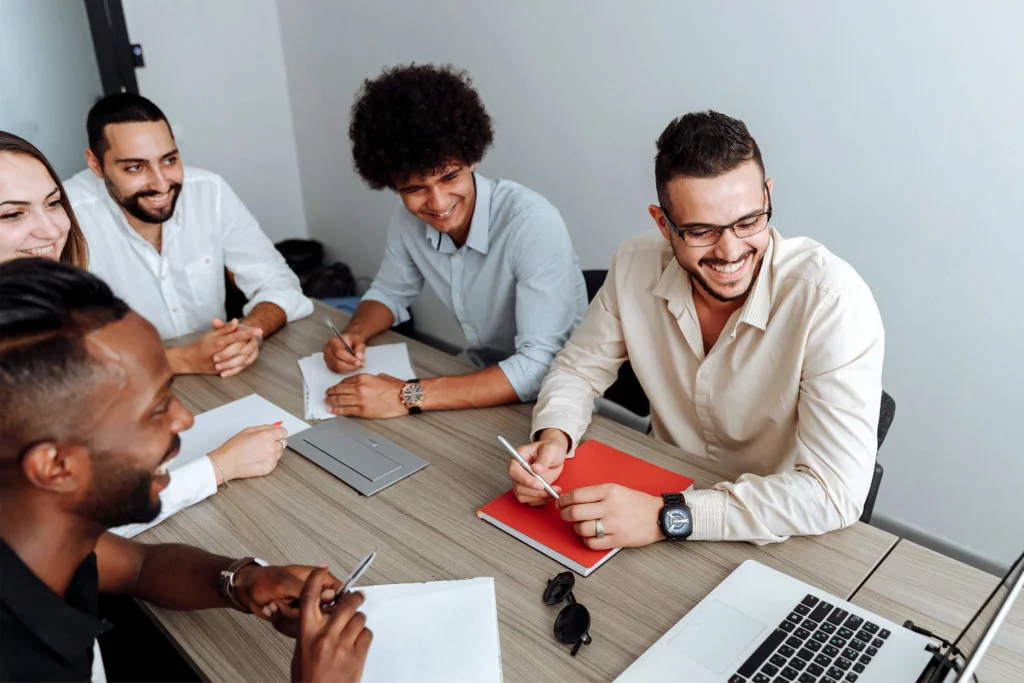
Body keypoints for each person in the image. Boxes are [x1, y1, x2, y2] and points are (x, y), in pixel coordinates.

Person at [510, 111, 884, 547]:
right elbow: (578, 370)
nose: (730, 252)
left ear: (767, 195)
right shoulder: (634, 264)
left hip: (774, 526)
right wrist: (554, 436)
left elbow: (832, 493)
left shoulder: (832, 301)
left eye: (748, 222)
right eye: (701, 231)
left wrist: (667, 516)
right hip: (654, 495)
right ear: (662, 222)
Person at [0, 258, 371, 682]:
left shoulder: (38, 539)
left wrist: (243, 581)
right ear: (55, 466)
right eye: (157, 408)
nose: (185, 418)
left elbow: (138, 566)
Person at [0, 130, 287, 537]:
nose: (50, 230)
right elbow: (76, 527)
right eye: (12, 214)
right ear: (96, 165)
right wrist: (219, 467)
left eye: (52, 203)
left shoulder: (43, 309)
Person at [321, 64, 587, 418]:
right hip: (475, 375)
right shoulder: (407, 221)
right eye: (415, 189)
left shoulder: (533, 223)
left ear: (472, 158)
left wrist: (407, 395)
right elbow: (388, 292)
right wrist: (354, 332)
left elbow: (540, 368)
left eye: (449, 177)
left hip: (557, 399)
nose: (438, 203)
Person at [64, 93, 314, 379]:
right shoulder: (62, 218)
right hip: (124, 386)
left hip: (219, 376)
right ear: (95, 164)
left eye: (169, 160)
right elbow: (55, 352)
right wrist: (181, 359)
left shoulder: (209, 191)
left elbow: (280, 284)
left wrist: (247, 333)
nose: (161, 184)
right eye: (135, 167)